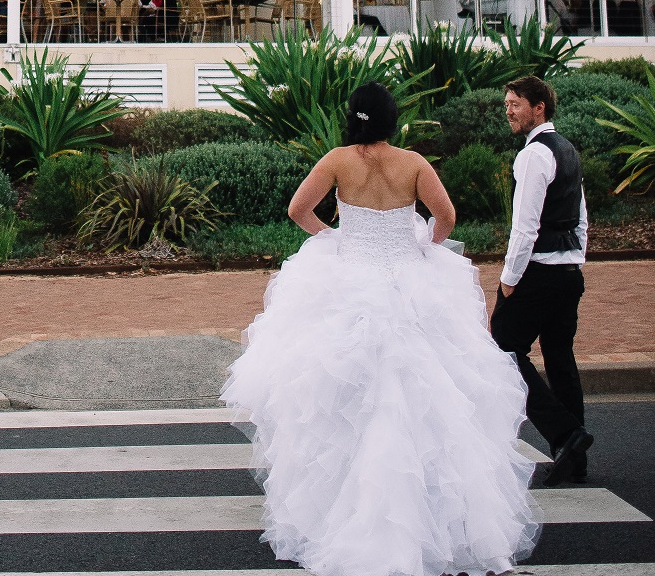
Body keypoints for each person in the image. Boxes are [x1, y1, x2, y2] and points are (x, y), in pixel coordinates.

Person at [222, 81, 539, 576]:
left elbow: (296, 210)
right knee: (425, 400)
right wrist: (423, 247)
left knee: (342, 400)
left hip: (349, 277)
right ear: (393, 120)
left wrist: (334, 238)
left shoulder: (337, 161)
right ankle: (426, 516)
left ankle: (342, 513)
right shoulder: (413, 163)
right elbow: (447, 216)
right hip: (409, 280)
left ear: (353, 118)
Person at [492, 76, 592, 487]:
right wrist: (577, 259)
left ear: (539, 108)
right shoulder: (567, 149)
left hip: (537, 272)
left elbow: (525, 227)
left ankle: (565, 434)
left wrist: (509, 278)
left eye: (515, 103)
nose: (508, 110)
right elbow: (582, 217)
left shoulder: (534, 154)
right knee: (559, 356)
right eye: (507, 103)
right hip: (568, 272)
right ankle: (574, 456)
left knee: (502, 347)